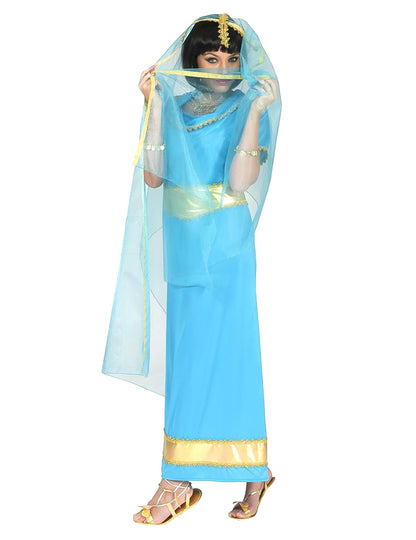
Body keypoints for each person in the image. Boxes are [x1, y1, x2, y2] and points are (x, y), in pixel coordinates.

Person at [102, 13, 282, 525]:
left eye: (231, 59)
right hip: (184, 246)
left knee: (232, 355)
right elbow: (154, 178)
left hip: (226, 249)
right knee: (188, 359)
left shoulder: (248, 107)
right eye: (211, 58)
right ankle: (237, 472)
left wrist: (256, 110)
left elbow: (240, 181)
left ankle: (184, 480)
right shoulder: (177, 108)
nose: (223, 69)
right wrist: (154, 105)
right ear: (192, 61)